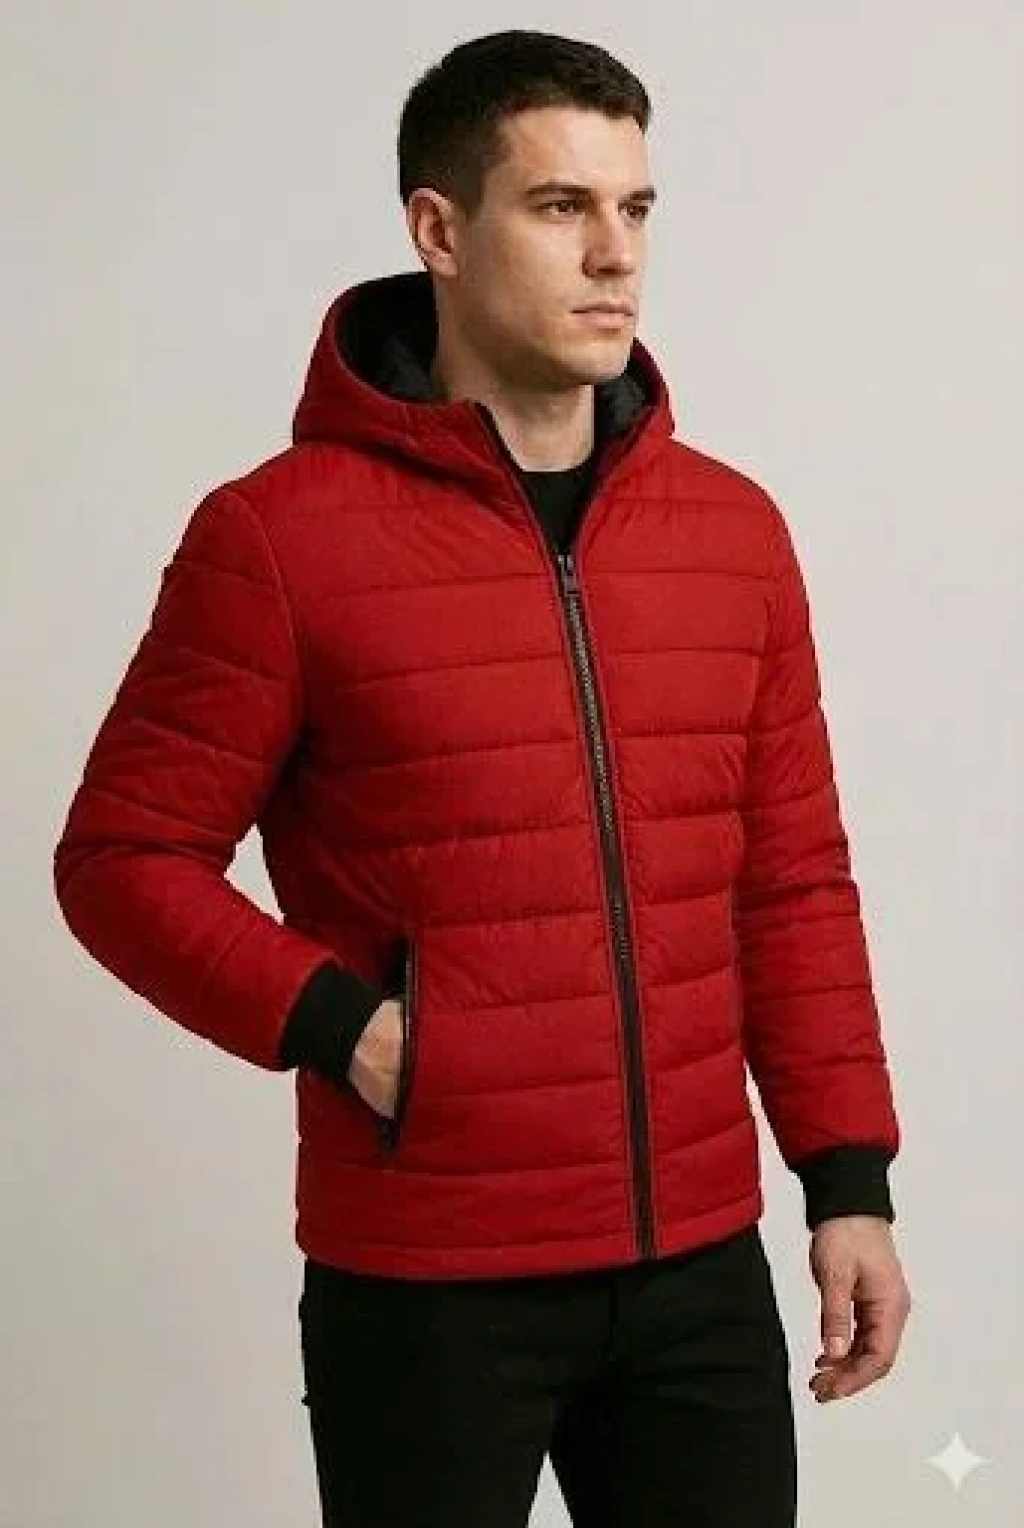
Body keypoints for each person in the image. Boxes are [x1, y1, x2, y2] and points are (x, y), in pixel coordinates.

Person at [52, 27, 911, 1528]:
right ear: (439, 231)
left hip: (699, 1270)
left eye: (635, 208)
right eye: (561, 206)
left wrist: (846, 1181)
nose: (615, 256)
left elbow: (792, 881)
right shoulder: (279, 540)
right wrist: (347, 1027)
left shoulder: (733, 537)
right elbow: (121, 859)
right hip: (430, 1278)